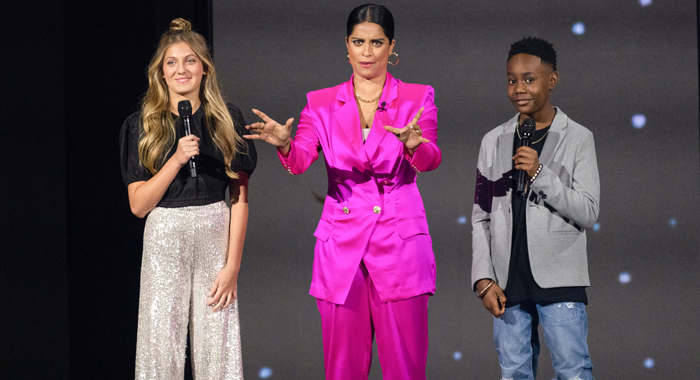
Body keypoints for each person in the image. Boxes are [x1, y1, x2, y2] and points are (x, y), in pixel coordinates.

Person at [245, 4, 440, 379]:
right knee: (342, 370)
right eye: (359, 42)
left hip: (400, 243)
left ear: (391, 47)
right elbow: (300, 160)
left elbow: (430, 159)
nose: (367, 52)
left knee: (406, 368)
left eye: (376, 43)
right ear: (346, 46)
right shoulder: (319, 103)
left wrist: (415, 144)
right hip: (341, 248)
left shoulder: (417, 97)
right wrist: (284, 144)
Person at [119, 18, 256, 380]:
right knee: (159, 344)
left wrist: (232, 267)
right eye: (172, 62)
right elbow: (138, 205)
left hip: (215, 229)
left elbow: (239, 197)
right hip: (165, 232)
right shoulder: (143, 125)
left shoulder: (228, 120)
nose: (182, 69)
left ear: (205, 68)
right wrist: (176, 159)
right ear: (160, 73)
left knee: (219, 346)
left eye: (190, 60)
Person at [471, 37, 599, 380]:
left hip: (559, 277)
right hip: (507, 281)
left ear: (552, 80)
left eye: (529, 79)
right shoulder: (493, 140)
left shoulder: (578, 138)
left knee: (573, 371)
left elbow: (588, 211)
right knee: (513, 373)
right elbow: (481, 214)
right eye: (512, 80)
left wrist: (540, 174)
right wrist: (483, 279)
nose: (519, 88)